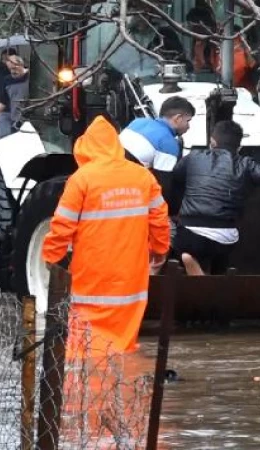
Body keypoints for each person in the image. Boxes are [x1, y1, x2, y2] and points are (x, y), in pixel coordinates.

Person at [41, 116, 171, 356]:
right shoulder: (143, 177)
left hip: (93, 273)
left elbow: (62, 225)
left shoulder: (82, 179)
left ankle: (85, 387)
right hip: (131, 275)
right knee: (124, 346)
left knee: (85, 347)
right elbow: (160, 220)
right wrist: (160, 251)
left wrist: (52, 256)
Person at [171, 120, 260, 275]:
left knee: (180, 242)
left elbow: (175, 179)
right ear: (239, 147)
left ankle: (192, 266)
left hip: (190, 232)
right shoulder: (246, 164)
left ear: (212, 142)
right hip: (225, 235)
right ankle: (213, 279)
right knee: (221, 262)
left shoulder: (192, 158)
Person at [119, 96, 195, 246]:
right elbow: (163, 186)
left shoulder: (137, 122)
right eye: (188, 121)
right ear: (178, 118)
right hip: (128, 192)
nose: (188, 126)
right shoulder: (168, 143)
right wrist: (172, 215)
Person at [185, 6, 258, 92]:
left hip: (242, 92)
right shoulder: (199, 45)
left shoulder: (232, 37)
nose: (193, 33)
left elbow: (240, 69)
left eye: (195, 29)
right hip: (213, 92)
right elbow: (198, 71)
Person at [0, 54, 29, 138]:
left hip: (28, 117)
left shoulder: (32, 77)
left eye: (14, 68)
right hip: (14, 118)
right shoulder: (8, 80)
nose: (13, 71)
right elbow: (3, 101)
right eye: (10, 69)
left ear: (21, 65)